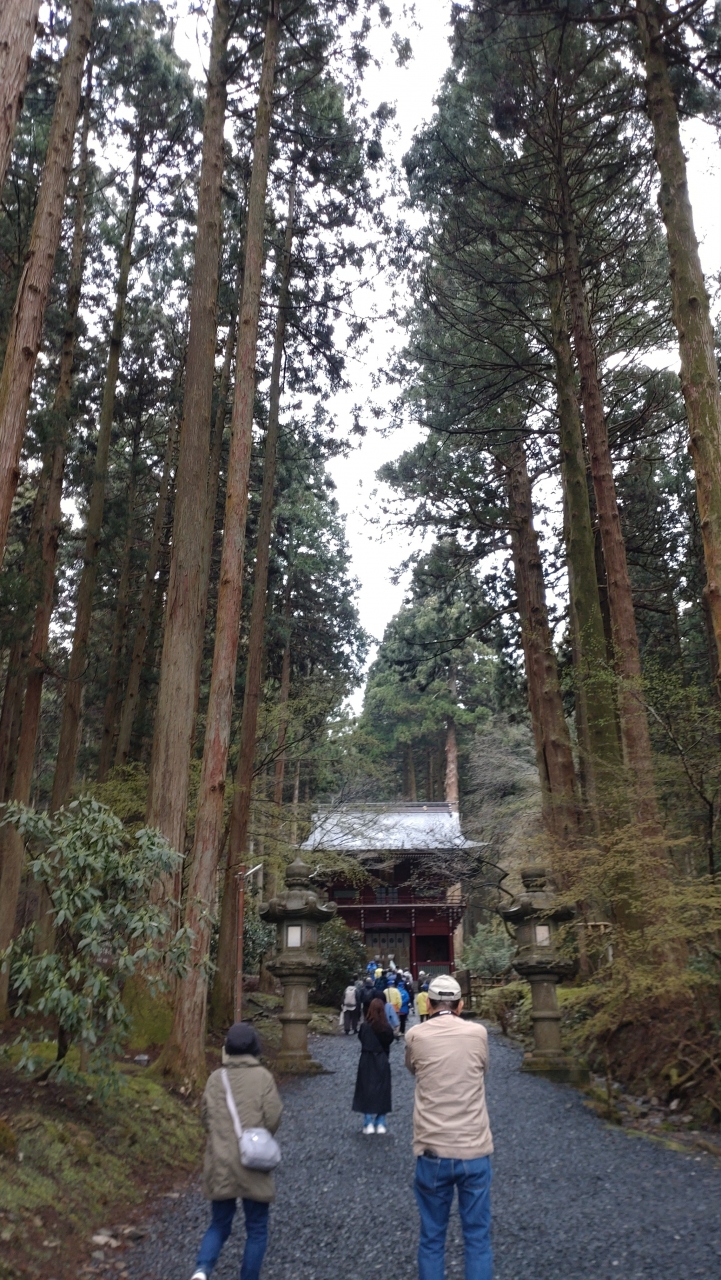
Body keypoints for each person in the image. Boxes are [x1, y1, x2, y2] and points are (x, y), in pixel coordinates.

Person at [405, 974, 493, 1280]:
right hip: (474, 1147)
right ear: (461, 1005)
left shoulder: (416, 1035)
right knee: (477, 1238)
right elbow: (483, 1068)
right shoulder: (478, 1033)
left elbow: (412, 1067)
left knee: (432, 1237)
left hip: (433, 1149)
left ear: (428, 1004)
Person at [191, 1022, 282, 1280]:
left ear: (227, 1048)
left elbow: (205, 1117)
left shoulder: (215, 1078)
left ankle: (201, 1270)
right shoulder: (263, 1077)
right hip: (254, 1160)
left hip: (221, 1161)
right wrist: (258, 1135)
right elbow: (273, 1118)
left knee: (219, 1224)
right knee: (256, 1228)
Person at [352, 996, 394, 1134]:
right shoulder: (386, 1029)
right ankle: (380, 1121)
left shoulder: (364, 1027)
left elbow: (361, 1039)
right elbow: (389, 1042)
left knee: (366, 1089)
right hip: (381, 1059)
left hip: (366, 1059)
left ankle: (368, 1121)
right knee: (383, 1090)